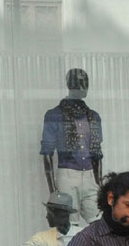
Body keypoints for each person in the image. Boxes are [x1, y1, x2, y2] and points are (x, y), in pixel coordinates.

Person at [41, 68, 103, 224]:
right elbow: (47, 152)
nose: (83, 87)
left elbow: (97, 153)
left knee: (98, 222)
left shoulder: (93, 116)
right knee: (70, 225)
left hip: (90, 176)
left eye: (85, 82)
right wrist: (53, 188)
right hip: (67, 175)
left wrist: (99, 183)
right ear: (69, 85)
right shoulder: (54, 115)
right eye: (78, 82)